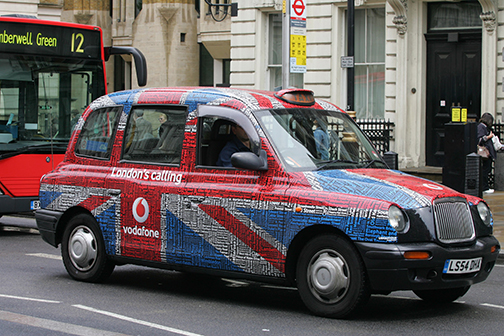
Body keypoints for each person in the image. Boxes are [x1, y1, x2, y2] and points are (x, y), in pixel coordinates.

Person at [477, 112, 496, 194]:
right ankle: (485, 187)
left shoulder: (484, 127)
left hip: (488, 154)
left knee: (486, 170)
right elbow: (480, 140)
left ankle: (485, 187)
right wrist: (489, 137)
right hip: (485, 153)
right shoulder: (481, 127)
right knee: (484, 171)